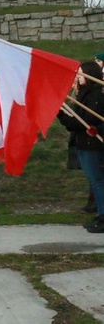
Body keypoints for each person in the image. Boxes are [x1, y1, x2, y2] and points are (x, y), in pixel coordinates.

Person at [57, 61, 104, 233]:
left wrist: (61, 115)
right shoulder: (84, 94)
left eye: (81, 73)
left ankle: (103, 216)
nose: (78, 76)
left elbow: (84, 121)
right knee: (95, 181)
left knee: (98, 181)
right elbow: (76, 122)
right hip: (85, 144)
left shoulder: (97, 96)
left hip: (94, 145)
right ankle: (100, 214)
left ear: (91, 75)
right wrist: (62, 114)